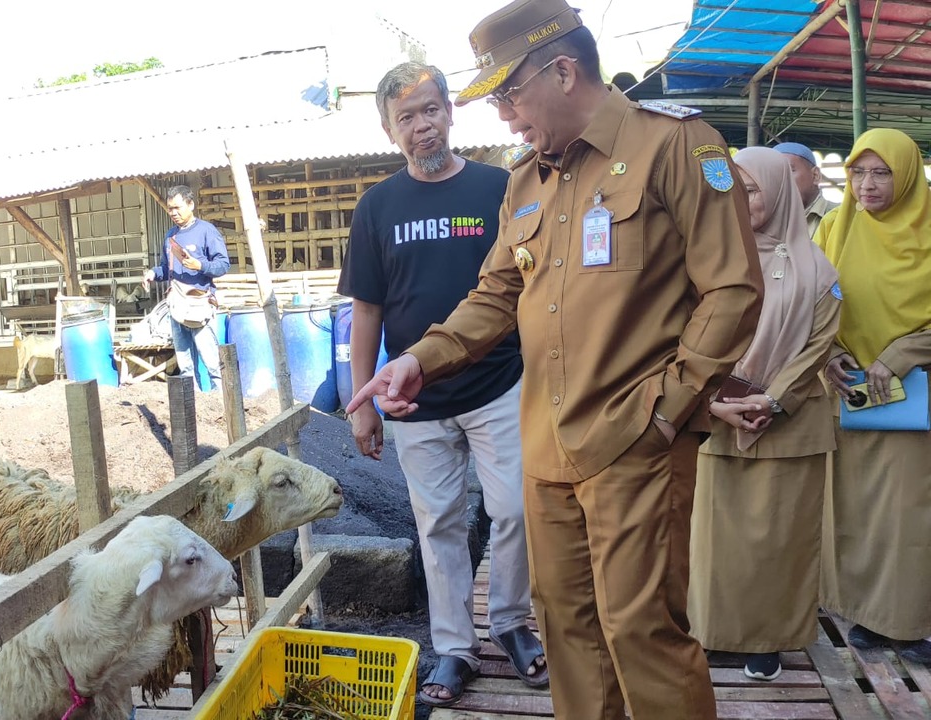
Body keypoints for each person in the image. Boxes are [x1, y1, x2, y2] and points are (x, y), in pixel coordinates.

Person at [346, 0, 764, 717]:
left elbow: (731, 290)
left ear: (564, 72)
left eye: (509, 94)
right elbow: (496, 295)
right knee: (567, 627)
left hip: (634, 439)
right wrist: (421, 358)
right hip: (545, 444)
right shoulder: (526, 179)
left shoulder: (674, 146)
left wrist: (667, 410)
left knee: (641, 630)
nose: (504, 116)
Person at [338, 61, 542, 707]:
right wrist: (362, 404)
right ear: (388, 129)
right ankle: (455, 647)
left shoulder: (498, 188)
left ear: (451, 113)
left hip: (500, 381)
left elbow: (529, 282)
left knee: (517, 509)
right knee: (439, 524)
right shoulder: (377, 206)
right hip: (412, 399)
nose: (422, 126)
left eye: (431, 110)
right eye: (407, 117)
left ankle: (510, 622)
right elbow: (366, 310)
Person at [687, 147, 840, 682]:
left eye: (751, 189)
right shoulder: (707, 259)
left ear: (777, 192)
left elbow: (819, 344)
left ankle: (765, 641)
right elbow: (679, 335)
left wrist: (773, 399)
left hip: (788, 425)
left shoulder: (817, 270)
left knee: (778, 540)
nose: (739, 199)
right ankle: (711, 631)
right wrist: (711, 401)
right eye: (731, 187)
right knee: (713, 538)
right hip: (713, 418)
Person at [817, 128, 931, 664]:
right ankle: (870, 613)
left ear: (906, 174)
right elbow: (810, 301)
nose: (867, 184)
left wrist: (905, 351)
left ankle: (912, 620)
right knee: (856, 510)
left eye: (882, 172)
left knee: (910, 513)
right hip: (851, 392)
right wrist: (830, 351)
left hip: (915, 395)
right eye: (857, 172)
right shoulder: (835, 227)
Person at [142, 185, 230, 390]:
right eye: (170, 208)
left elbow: (223, 265)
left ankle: (221, 402)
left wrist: (200, 265)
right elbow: (167, 269)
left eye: (177, 207)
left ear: (191, 205)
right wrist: (153, 273)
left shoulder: (206, 230)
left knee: (212, 363)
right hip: (177, 306)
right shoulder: (170, 236)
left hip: (199, 305)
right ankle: (193, 403)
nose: (173, 212)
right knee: (186, 366)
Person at [775, 142, 838, 238]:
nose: (780, 179)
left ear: (816, 175)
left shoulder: (840, 216)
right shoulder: (766, 223)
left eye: (789, 171)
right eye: (774, 174)